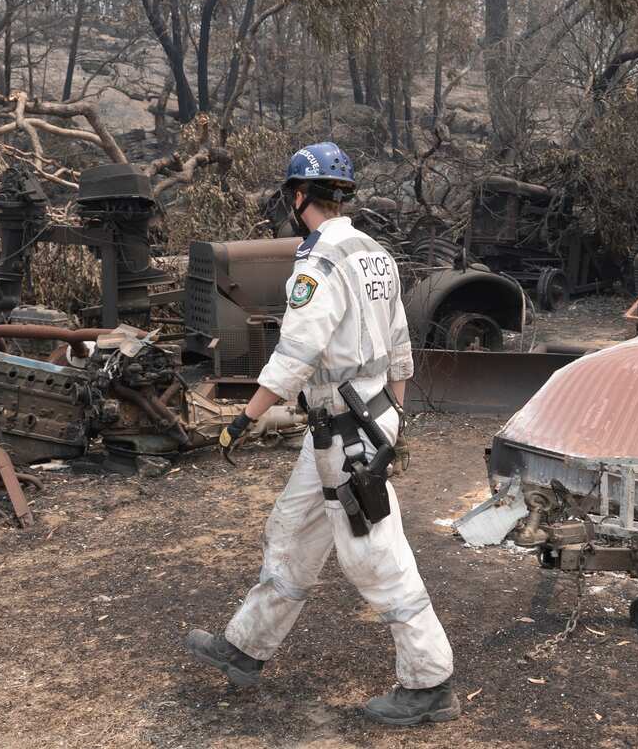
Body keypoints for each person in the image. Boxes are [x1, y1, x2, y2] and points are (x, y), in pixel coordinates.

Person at [184, 142, 459, 727]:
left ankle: (429, 681)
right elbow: (401, 347)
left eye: (292, 194)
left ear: (299, 196)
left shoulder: (317, 265)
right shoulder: (376, 253)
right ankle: (245, 648)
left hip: (346, 430)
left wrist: (242, 419)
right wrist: (395, 428)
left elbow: (295, 356)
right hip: (363, 421)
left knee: (372, 557)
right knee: (292, 529)